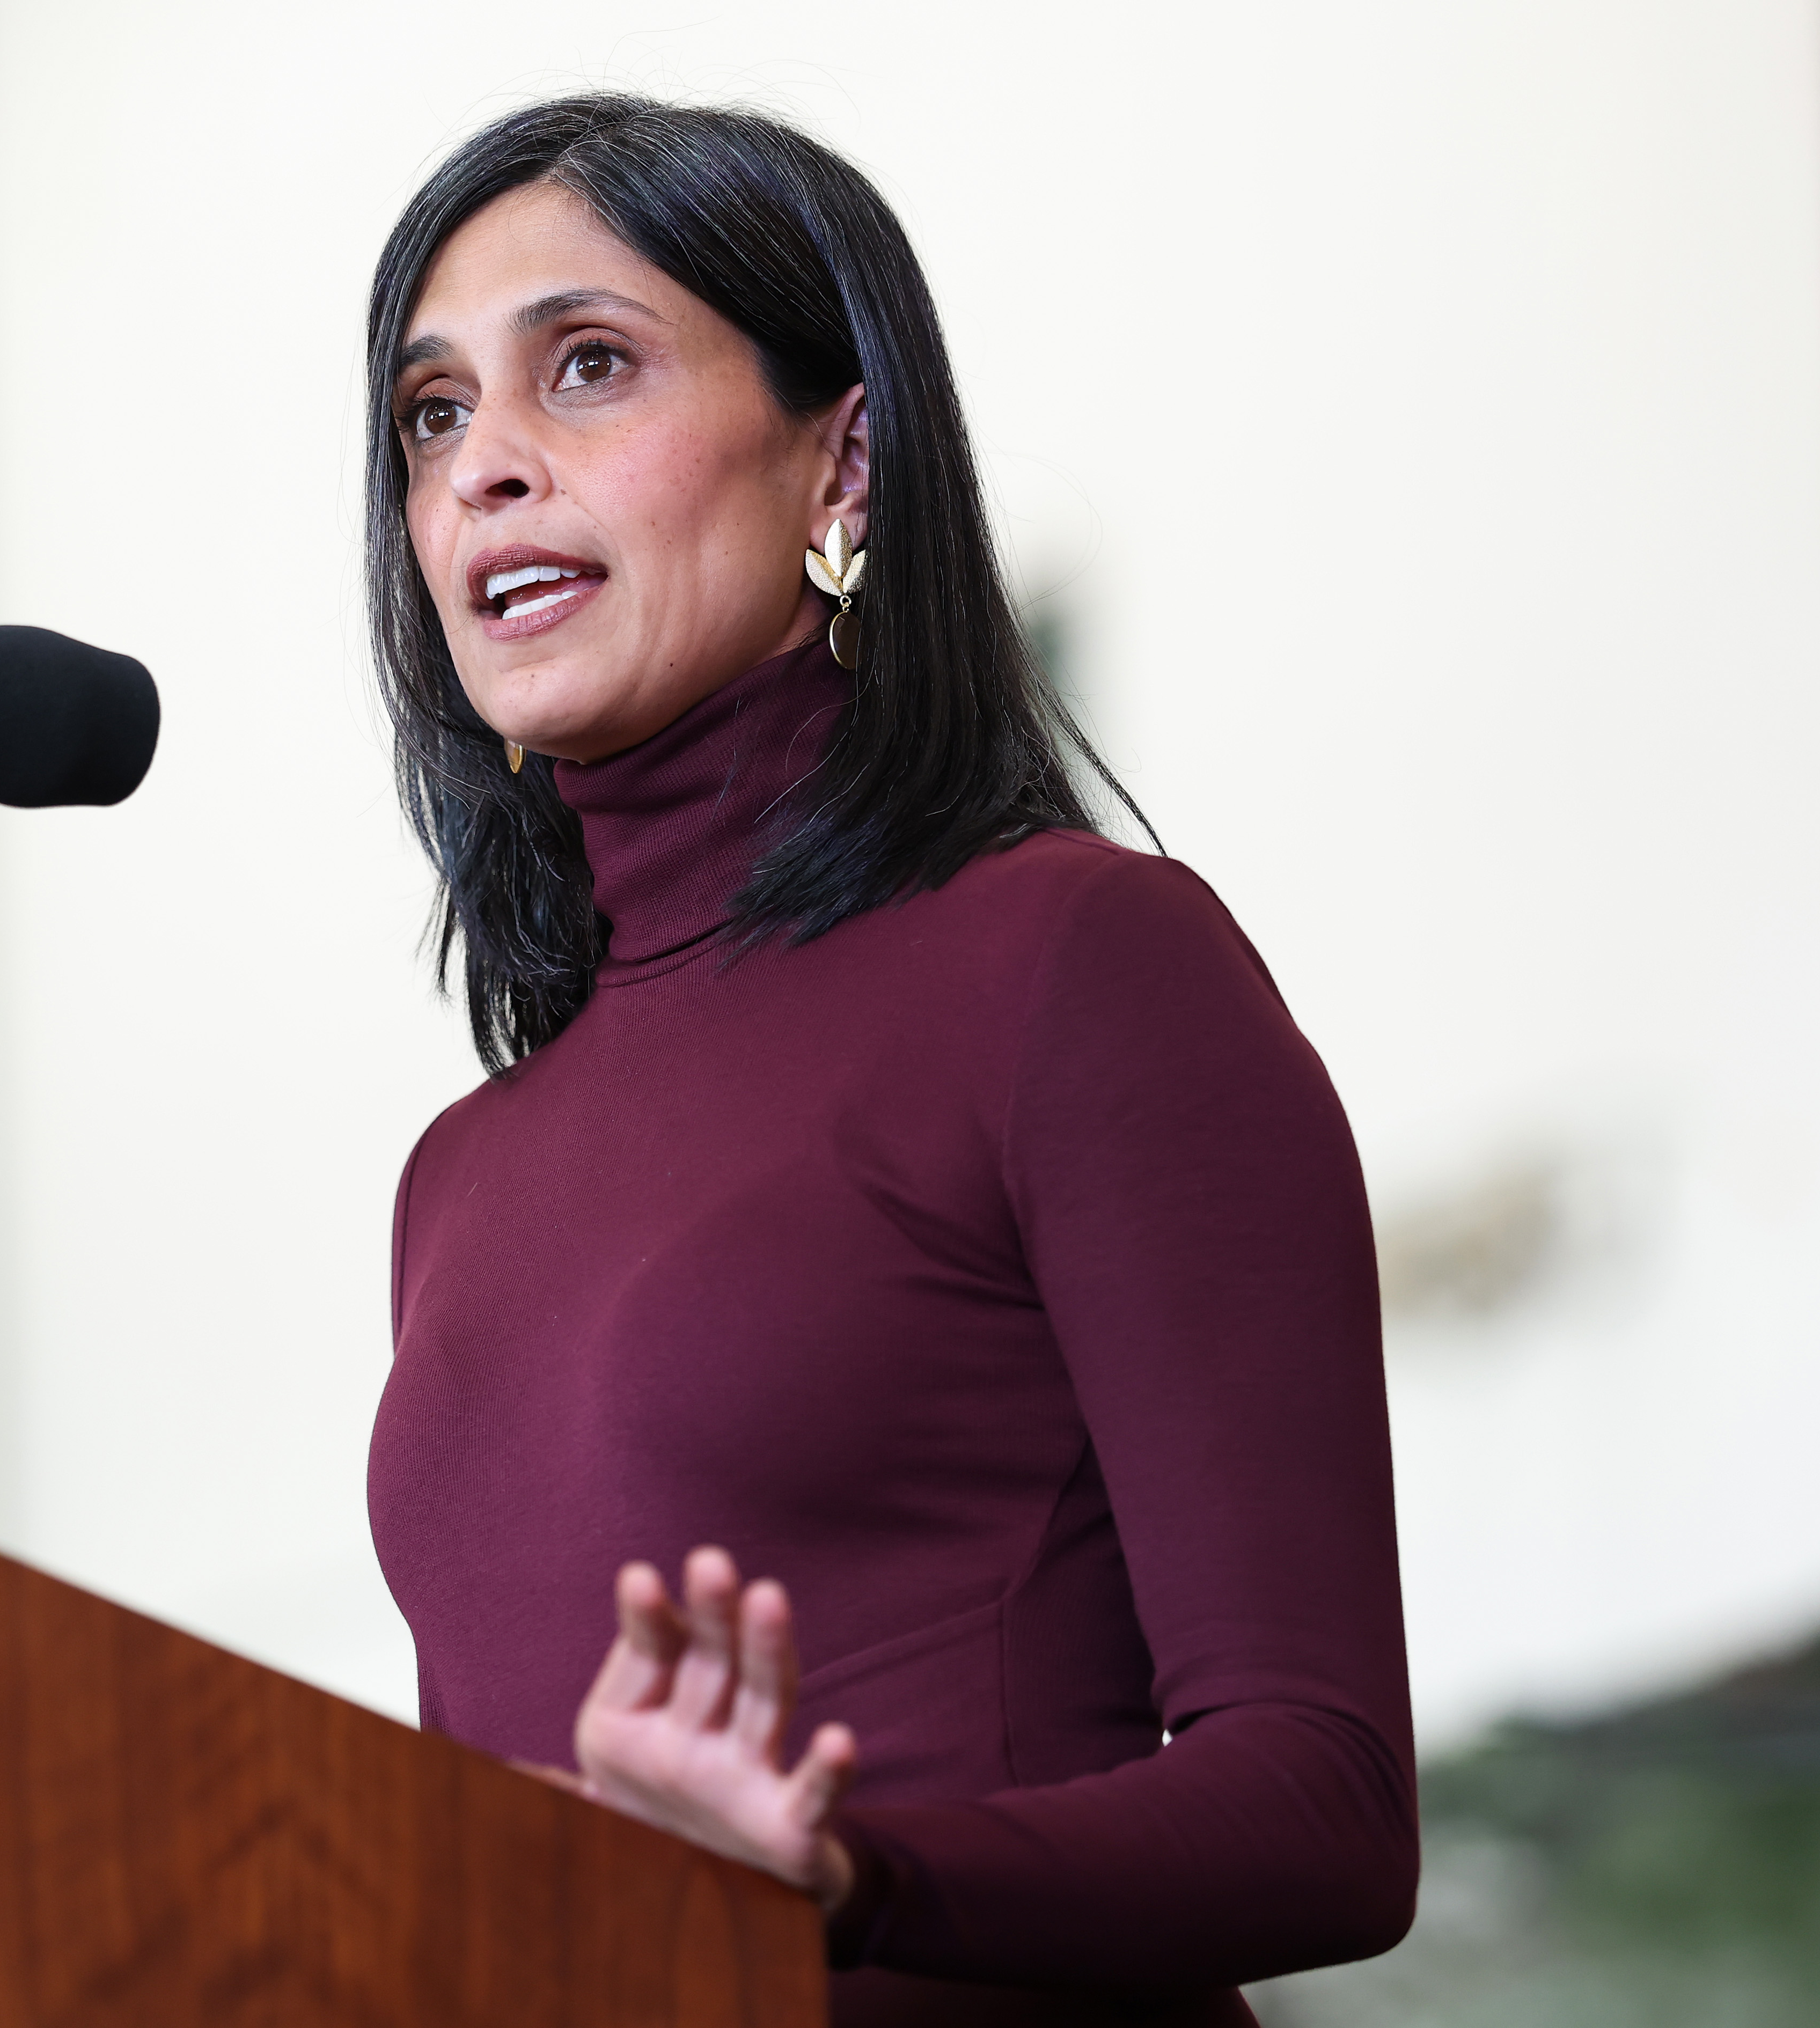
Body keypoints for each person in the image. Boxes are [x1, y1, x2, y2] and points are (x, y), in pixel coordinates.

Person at [361, 96, 1416, 2025]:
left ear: (845, 462)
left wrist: (844, 1880)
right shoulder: (459, 1175)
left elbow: (1328, 1803)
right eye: (432, 417)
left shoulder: (1080, 964)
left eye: (585, 368)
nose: (483, 469)